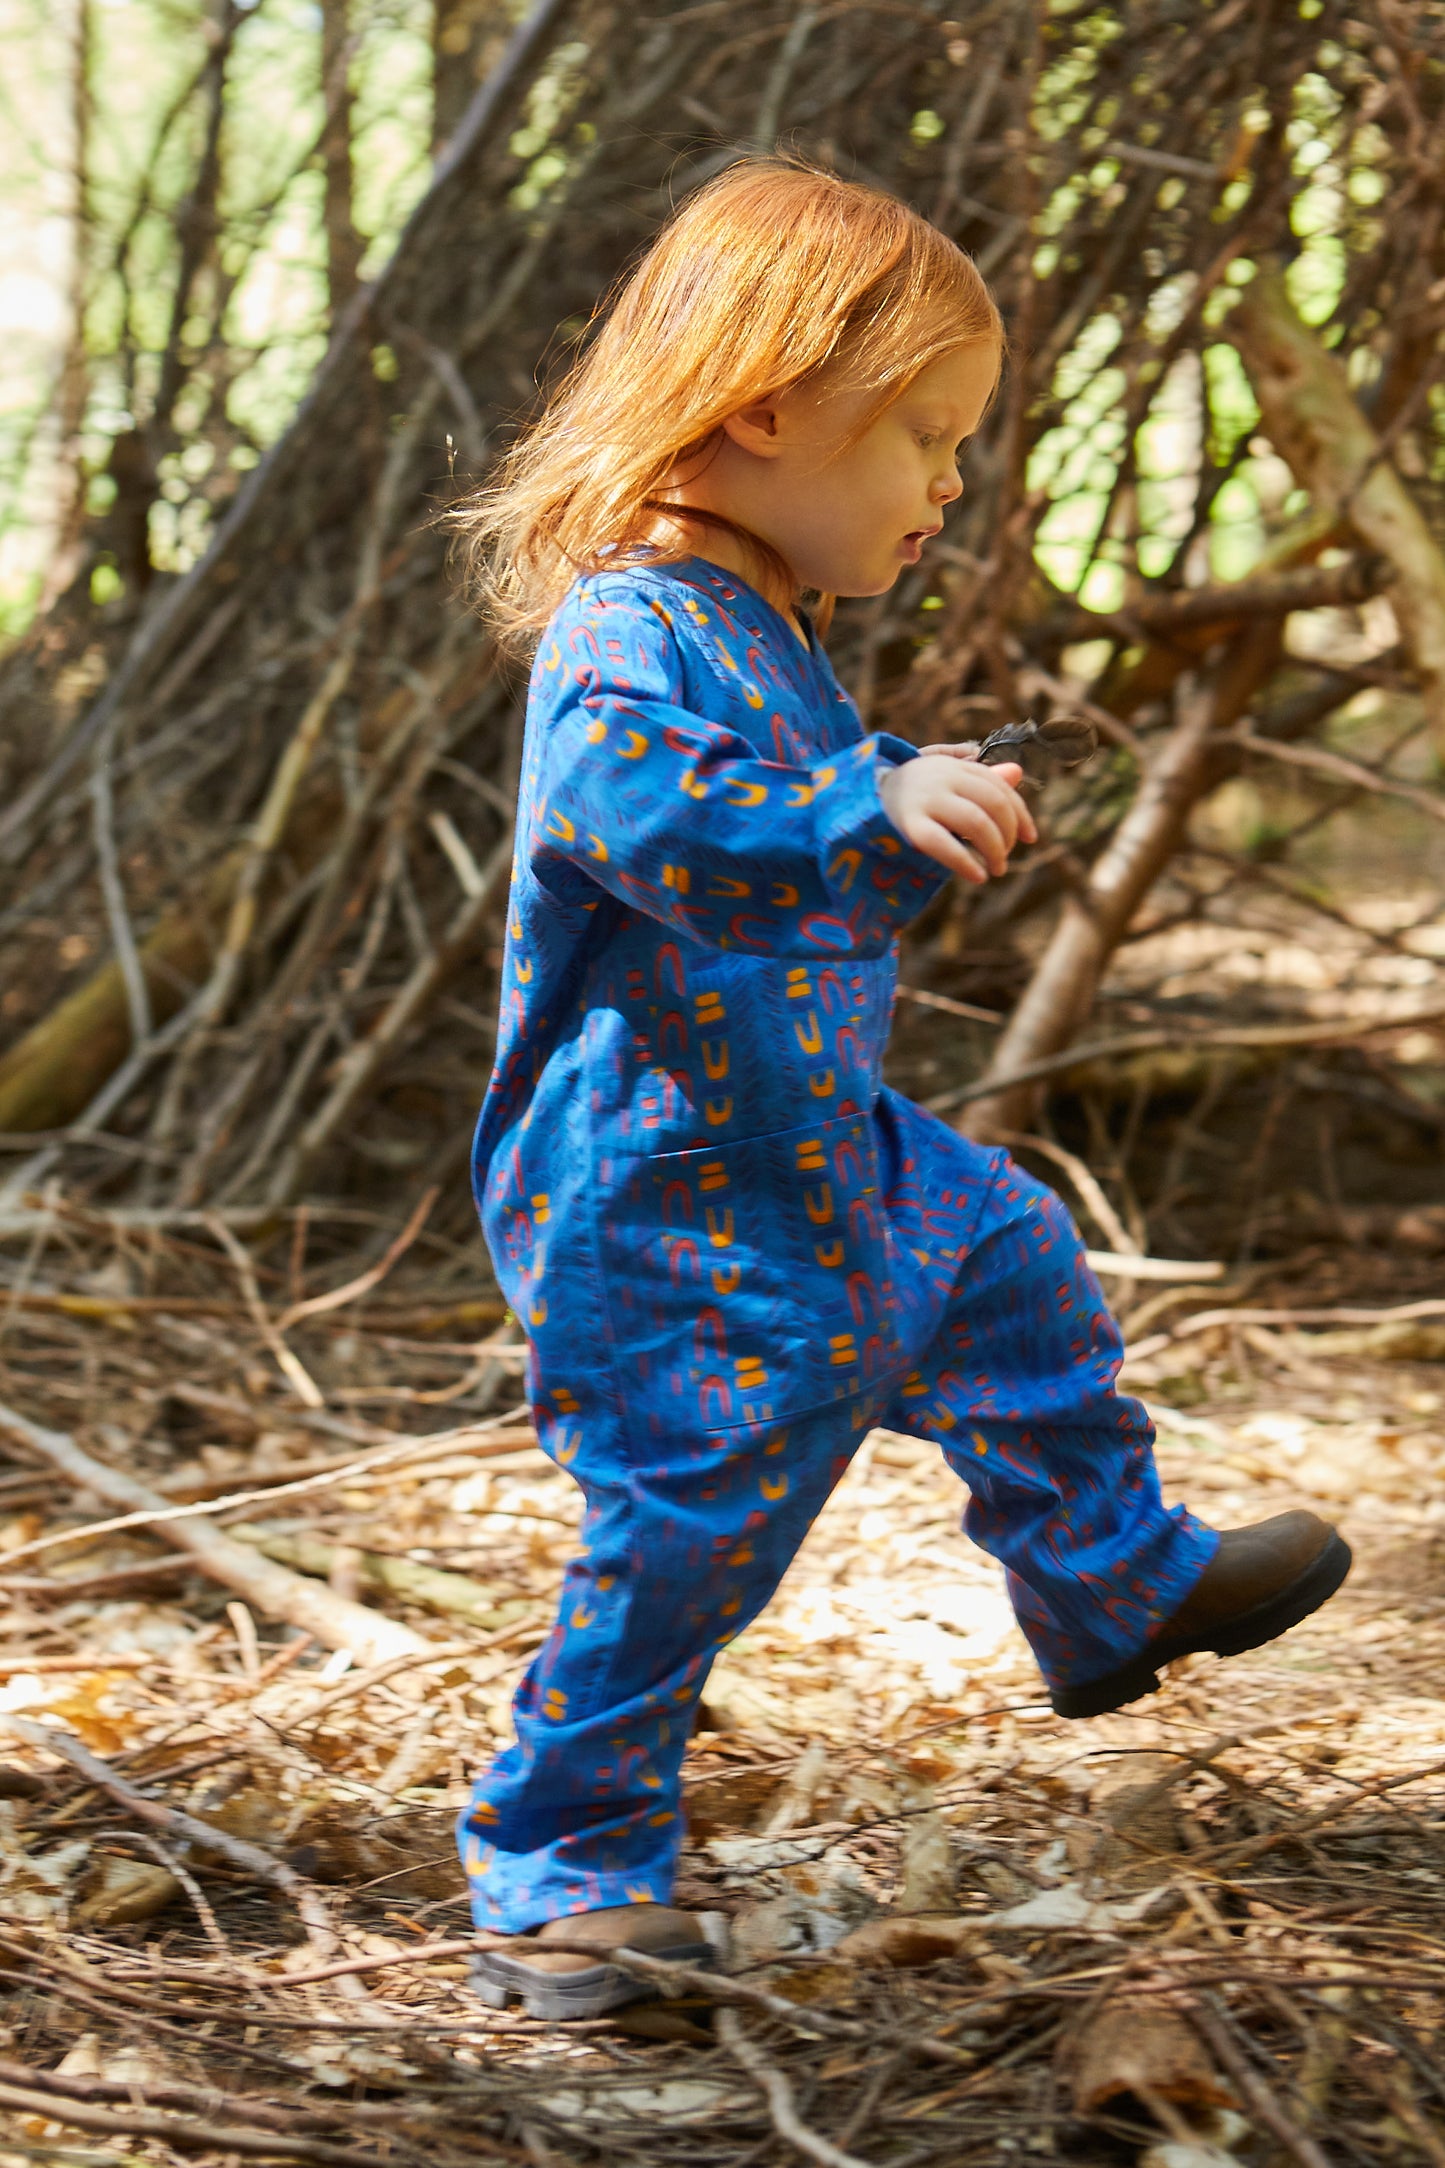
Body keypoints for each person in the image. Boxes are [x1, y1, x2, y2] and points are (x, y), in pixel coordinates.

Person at [451, 160, 1350, 2021]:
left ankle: (1110, 1585)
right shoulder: (628, 626)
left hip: (815, 1148)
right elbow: (641, 816)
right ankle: (561, 1864)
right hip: (654, 1198)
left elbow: (788, 802)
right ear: (763, 404)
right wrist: (860, 802)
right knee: (690, 1525)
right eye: (923, 434)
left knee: (1010, 1254)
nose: (948, 481)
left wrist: (891, 770)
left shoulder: (764, 629)